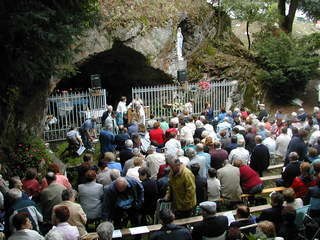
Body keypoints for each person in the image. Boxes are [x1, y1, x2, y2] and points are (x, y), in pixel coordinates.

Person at [164, 154, 196, 219]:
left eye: (172, 167)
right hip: (177, 204)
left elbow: (191, 191)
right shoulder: (172, 172)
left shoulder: (187, 174)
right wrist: (168, 194)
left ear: (178, 165)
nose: (170, 168)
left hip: (186, 206)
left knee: (185, 222)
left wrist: (184, 204)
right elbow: (170, 185)